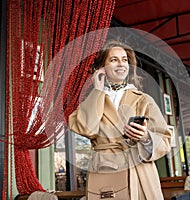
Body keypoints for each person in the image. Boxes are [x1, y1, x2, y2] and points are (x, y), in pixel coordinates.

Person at [68, 40, 171, 200]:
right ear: (102, 67)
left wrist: (145, 138)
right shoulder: (92, 100)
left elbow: (165, 140)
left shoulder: (143, 99)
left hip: (139, 173)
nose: (121, 64)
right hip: (104, 171)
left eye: (124, 60)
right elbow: (86, 128)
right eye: (113, 59)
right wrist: (97, 90)